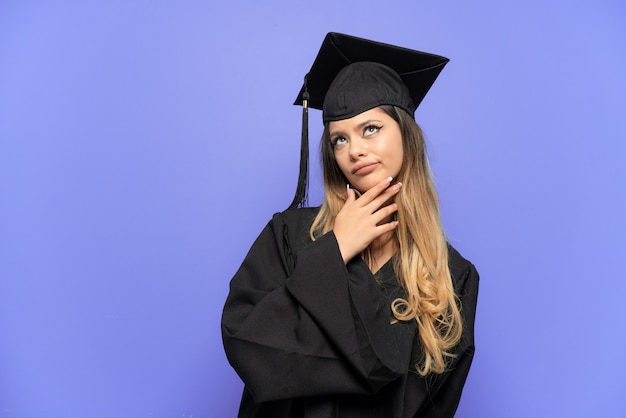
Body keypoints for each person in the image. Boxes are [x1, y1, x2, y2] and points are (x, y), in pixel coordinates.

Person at [221, 32, 479, 418]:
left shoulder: (450, 276)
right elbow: (250, 346)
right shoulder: (290, 236)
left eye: (371, 128)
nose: (354, 149)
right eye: (339, 139)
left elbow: (429, 407)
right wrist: (335, 249)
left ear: (407, 135)